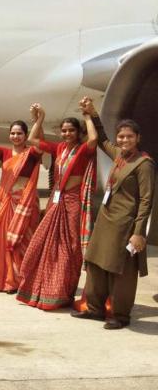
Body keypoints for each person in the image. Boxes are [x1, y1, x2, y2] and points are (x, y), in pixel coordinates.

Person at [71, 101, 154, 329]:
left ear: (137, 138)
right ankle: (95, 309)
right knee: (96, 264)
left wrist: (139, 233)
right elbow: (103, 141)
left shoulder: (143, 164)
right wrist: (93, 115)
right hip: (106, 220)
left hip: (125, 224)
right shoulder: (119, 154)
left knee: (121, 271)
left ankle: (120, 315)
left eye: (129, 137)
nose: (124, 140)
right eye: (121, 136)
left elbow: (147, 200)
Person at [16, 98, 98, 310]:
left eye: (71, 130)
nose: (67, 134)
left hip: (72, 202)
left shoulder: (81, 150)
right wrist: (40, 118)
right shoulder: (59, 148)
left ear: (78, 132)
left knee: (69, 249)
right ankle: (39, 288)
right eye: (64, 130)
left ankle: (61, 292)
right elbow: (32, 139)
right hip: (56, 200)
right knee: (41, 242)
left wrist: (88, 116)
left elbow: (94, 139)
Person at [0, 108, 42, 293]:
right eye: (12, 133)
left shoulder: (32, 154)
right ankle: (6, 278)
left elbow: (37, 143)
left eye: (19, 133)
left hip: (26, 206)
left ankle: (22, 280)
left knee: (22, 241)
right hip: (8, 205)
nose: (15, 136)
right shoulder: (5, 154)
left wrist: (39, 120)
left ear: (25, 135)